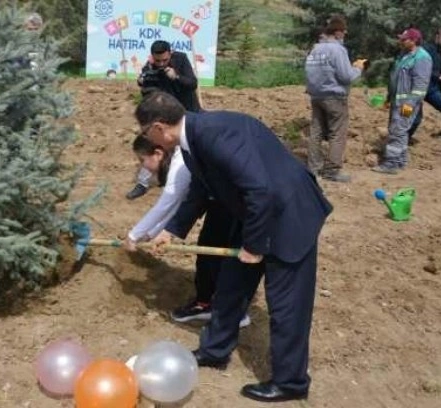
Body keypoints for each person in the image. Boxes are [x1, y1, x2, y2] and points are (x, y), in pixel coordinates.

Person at [136, 91, 332, 402]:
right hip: (258, 214)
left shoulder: (212, 135)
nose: (149, 139)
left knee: (287, 304)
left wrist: (254, 246)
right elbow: (201, 188)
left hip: (288, 213)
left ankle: (291, 382)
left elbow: (259, 189)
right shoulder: (194, 138)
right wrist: (172, 231)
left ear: (159, 127)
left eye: (146, 133)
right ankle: (215, 350)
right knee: (230, 286)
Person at [124, 135, 252, 327]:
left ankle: (228, 311)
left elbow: (167, 204)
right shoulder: (183, 156)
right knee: (208, 249)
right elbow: (181, 207)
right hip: (221, 197)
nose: (144, 167)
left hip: (236, 200)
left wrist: (134, 235)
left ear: (158, 154)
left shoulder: (180, 164)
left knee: (221, 255)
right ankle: (208, 303)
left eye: (142, 160)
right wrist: (152, 234)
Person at [126, 40, 201, 201]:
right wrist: (142, 82)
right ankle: (142, 183)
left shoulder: (181, 59)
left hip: (187, 113)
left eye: (164, 60)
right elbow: (148, 94)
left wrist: (176, 77)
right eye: (157, 60)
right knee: (150, 144)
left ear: (170, 53)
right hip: (164, 115)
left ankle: (194, 184)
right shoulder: (150, 67)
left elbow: (192, 84)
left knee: (189, 150)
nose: (160, 64)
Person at [305, 15, 365, 183]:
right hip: (334, 97)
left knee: (316, 133)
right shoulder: (338, 50)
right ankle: (332, 170)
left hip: (316, 96)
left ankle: (313, 168)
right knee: (337, 133)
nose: (344, 36)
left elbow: (310, 73)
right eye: (344, 33)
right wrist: (358, 69)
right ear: (338, 32)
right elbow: (346, 77)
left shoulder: (315, 49)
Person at [373, 28, 432, 174]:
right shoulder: (403, 56)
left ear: (414, 40)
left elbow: (420, 86)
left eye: (404, 39)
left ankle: (391, 164)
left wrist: (410, 104)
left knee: (398, 130)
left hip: (407, 103)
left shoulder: (422, 58)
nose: (401, 41)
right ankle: (400, 161)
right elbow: (395, 79)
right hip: (397, 101)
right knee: (399, 130)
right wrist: (388, 98)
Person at [407, 27, 441, 150]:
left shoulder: (440, 50)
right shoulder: (427, 50)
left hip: (432, 90)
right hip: (418, 89)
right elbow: (423, 69)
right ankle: (404, 138)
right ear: (437, 37)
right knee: (415, 118)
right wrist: (440, 76)